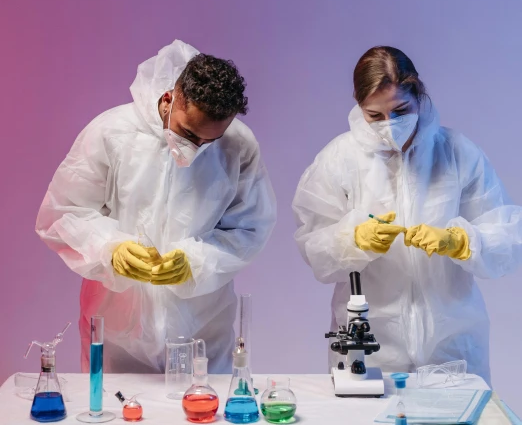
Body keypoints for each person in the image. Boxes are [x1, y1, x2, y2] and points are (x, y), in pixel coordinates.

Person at [36, 40, 276, 373]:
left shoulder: (239, 144)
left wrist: (196, 261)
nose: (196, 149)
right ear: (168, 99)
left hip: (203, 330)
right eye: (189, 133)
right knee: (114, 419)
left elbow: (250, 227)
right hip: (117, 329)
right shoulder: (111, 133)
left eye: (211, 141)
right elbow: (64, 212)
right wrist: (110, 249)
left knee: (207, 419)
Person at [292, 46, 522, 383]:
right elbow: (313, 245)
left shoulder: (457, 153)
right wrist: (352, 239)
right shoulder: (339, 159)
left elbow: (507, 235)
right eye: (375, 115)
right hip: (371, 347)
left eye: (401, 110)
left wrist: (461, 242)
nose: (390, 125)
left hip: (452, 347)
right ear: (359, 107)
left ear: (418, 95)